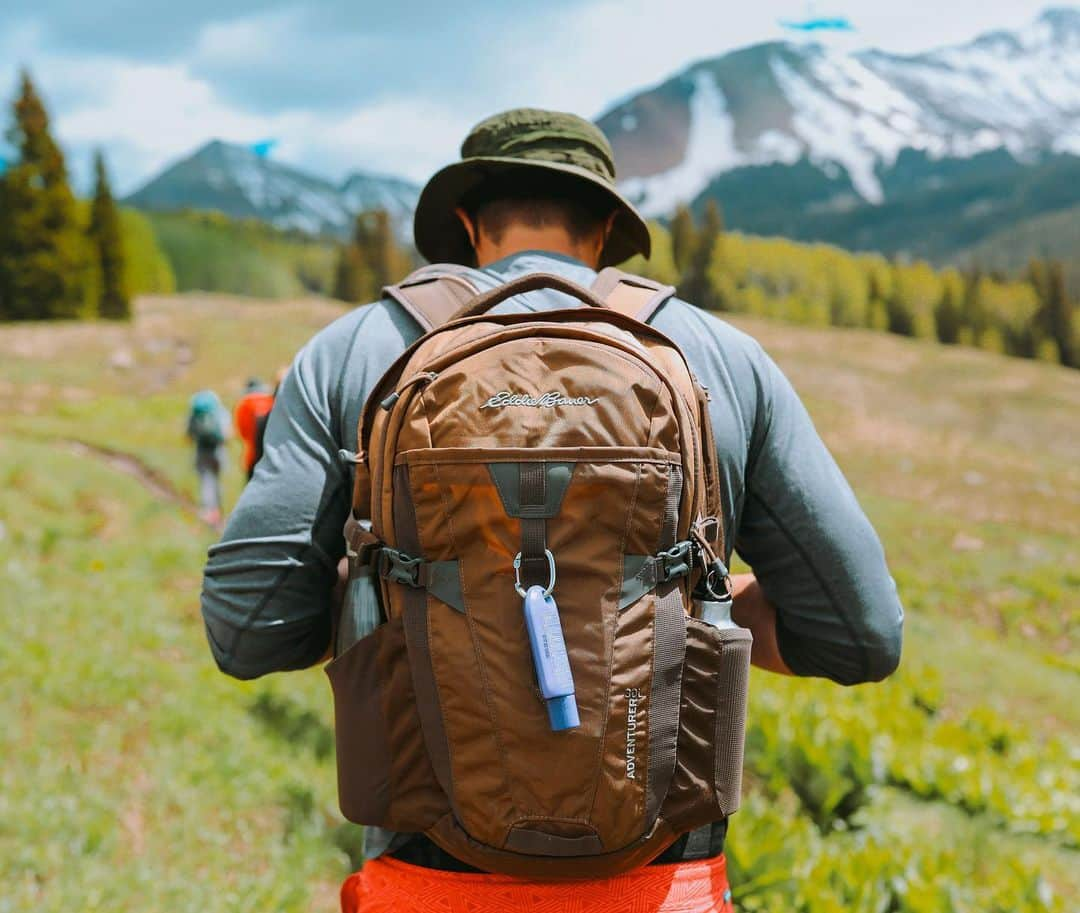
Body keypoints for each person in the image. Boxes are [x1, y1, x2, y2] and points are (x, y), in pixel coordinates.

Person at [201, 109, 903, 912]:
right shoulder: (721, 358)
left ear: (467, 223)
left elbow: (245, 628)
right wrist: (691, 600)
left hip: (427, 888)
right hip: (664, 889)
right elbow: (863, 634)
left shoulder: (355, 350)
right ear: (606, 229)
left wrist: (406, 597)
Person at [187, 389, 229, 528]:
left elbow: (189, 432)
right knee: (216, 481)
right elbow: (226, 432)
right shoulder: (218, 410)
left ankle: (209, 511)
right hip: (218, 450)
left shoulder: (195, 411)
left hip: (201, 451)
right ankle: (218, 513)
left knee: (206, 481)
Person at [233, 377, 275, 481]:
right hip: (273, 455)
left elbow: (241, 432)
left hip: (252, 456)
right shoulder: (271, 401)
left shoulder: (243, 404)